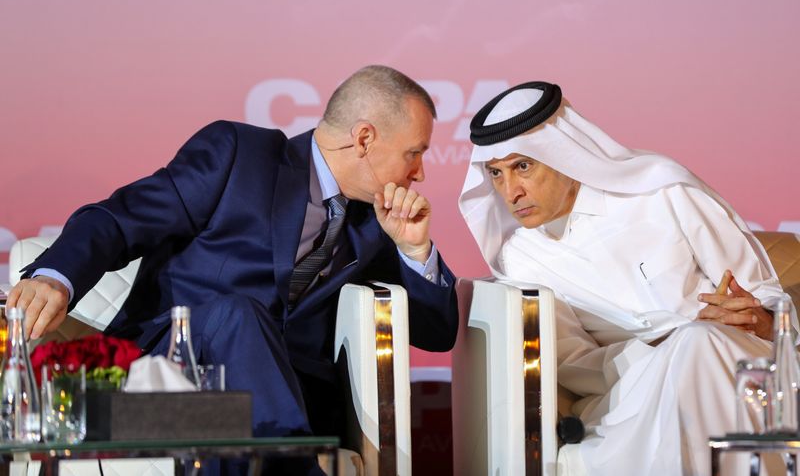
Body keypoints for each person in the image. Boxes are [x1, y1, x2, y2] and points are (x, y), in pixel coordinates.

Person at [7, 65, 459, 470]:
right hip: (171, 381)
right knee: (239, 314)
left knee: (238, 427)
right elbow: (119, 219)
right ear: (364, 139)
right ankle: (291, 461)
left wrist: (415, 250)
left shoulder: (374, 221)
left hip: (263, 410)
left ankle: (276, 448)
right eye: (414, 153)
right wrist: (54, 278)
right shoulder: (240, 155)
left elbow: (436, 334)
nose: (419, 173)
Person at [458, 81, 795, 475]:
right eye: (496, 174)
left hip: (737, 361)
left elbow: (763, 293)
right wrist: (669, 350)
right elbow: (575, 365)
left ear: (563, 153)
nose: (510, 191)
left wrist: (765, 320)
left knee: (701, 345)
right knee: (694, 344)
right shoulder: (521, 257)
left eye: (523, 166)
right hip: (629, 396)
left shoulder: (661, 190)